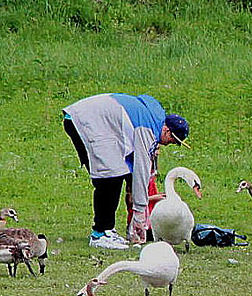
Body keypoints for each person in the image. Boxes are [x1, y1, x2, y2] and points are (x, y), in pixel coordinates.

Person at [63, 93, 190, 248]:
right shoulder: (148, 129)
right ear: (166, 130)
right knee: (109, 177)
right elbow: (141, 170)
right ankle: (99, 234)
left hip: (97, 122)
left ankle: (108, 230)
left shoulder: (154, 120)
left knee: (117, 172)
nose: (169, 144)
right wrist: (139, 215)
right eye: (172, 140)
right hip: (85, 120)